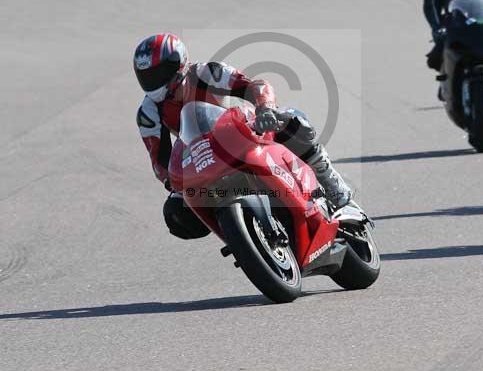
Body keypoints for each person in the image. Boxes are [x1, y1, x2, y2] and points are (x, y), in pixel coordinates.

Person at [134, 33, 358, 239]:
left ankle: (335, 191)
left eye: (158, 73)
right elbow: (159, 161)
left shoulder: (206, 73)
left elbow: (254, 85)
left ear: (178, 63)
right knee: (175, 213)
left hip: (244, 131)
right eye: (147, 75)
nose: (154, 80)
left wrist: (265, 109)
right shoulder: (149, 113)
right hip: (204, 159)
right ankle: (240, 238)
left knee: (293, 122)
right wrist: (173, 180)